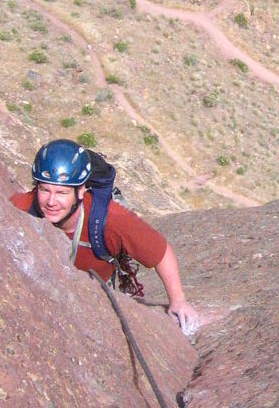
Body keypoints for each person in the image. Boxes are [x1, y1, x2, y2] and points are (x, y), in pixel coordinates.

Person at [11, 139, 198, 331]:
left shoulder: (109, 219)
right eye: (44, 190)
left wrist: (178, 301)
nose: (51, 201)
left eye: (61, 193)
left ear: (80, 191)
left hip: (94, 298)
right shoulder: (22, 208)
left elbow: (161, 252)